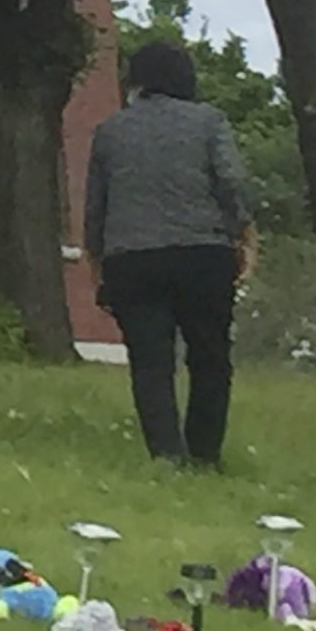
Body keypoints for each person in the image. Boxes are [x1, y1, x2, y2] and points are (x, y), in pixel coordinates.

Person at [85, 38, 258, 470]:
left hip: (132, 258)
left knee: (149, 362)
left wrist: (98, 265)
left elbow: (95, 207)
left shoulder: (110, 131)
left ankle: (166, 455)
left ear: (135, 80)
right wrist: (245, 235)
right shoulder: (208, 122)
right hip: (202, 251)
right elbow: (231, 182)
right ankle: (204, 455)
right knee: (210, 357)